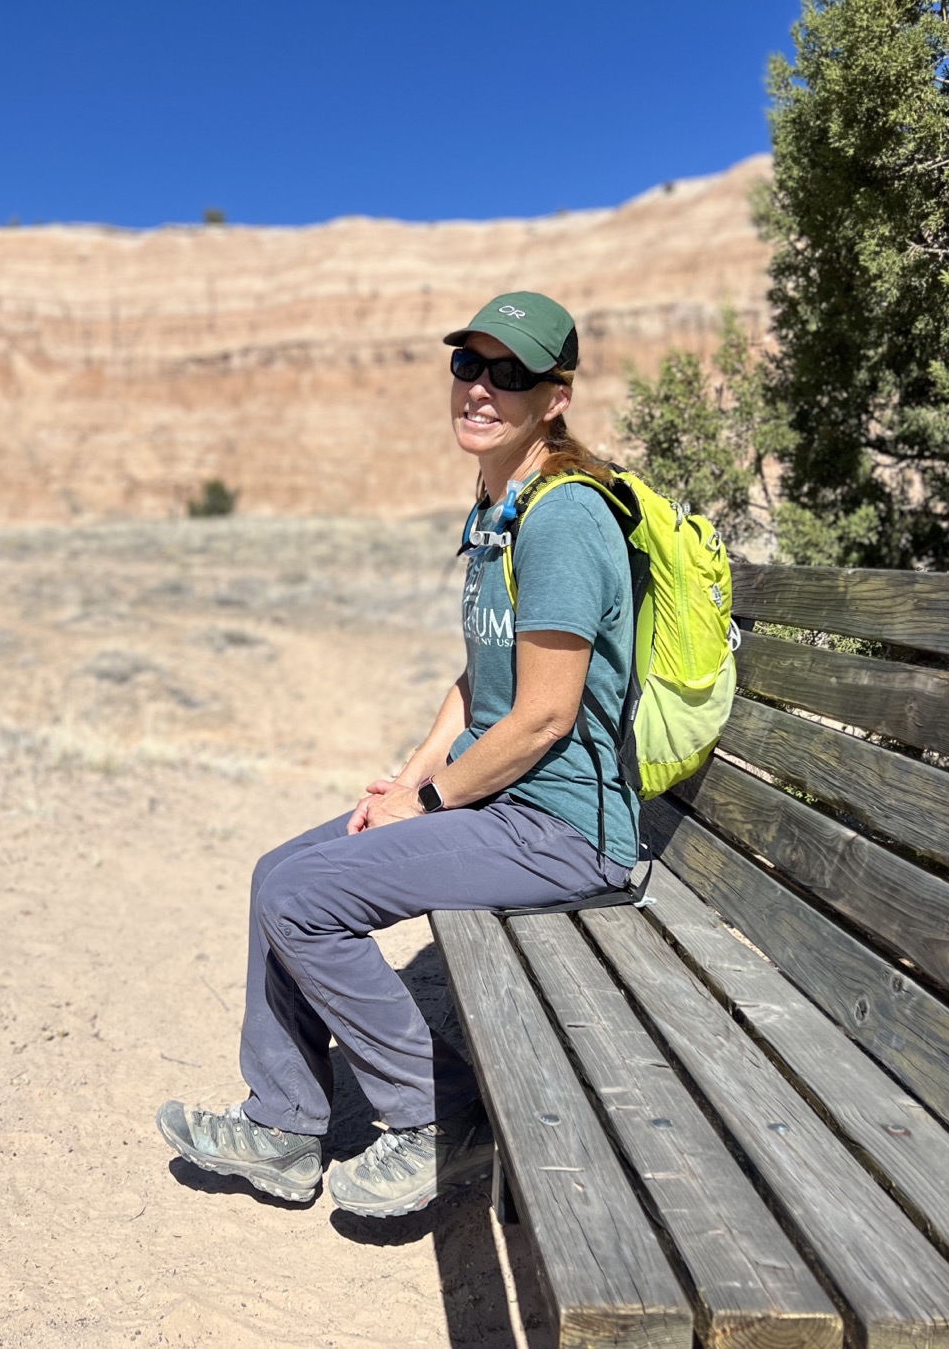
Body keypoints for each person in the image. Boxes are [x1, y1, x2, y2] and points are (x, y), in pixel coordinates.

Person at [157, 291, 639, 1218]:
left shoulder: (565, 518)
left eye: (512, 374)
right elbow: (479, 677)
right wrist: (411, 775)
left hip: (566, 826)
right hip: (507, 804)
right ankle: (286, 1126)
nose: (482, 390)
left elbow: (542, 719)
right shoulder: (501, 505)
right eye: (470, 365)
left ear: (556, 396)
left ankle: (443, 1112)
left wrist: (430, 802)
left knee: (307, 899)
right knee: (281, 870)